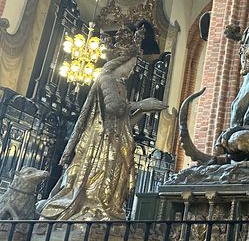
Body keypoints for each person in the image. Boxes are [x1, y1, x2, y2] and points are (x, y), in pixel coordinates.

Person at [37, 48, 166, 221]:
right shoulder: (106, 79)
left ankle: (107, 209)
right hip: (101, 140)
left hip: (117, 140)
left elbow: (124, 122)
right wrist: (140, 103)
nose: (133, 70)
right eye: (132, 65)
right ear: (122, 61)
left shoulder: (120, 85)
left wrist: (144, 109)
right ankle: (91, 208)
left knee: (114, 179)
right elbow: (113, 107)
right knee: (98, 177)